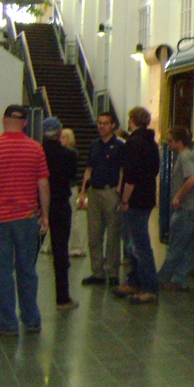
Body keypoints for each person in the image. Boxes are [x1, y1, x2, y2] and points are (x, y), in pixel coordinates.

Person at [0, 104, 50, 337]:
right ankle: (32, 319)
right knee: (27, 269)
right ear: (25, 122)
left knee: (2, 271)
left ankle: (7, 323)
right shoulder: (36, 149)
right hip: (26, 218)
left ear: (4, 119)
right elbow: (43, 185)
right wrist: (44, 215)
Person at [111, 107, 161, 304]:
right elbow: (154, 169)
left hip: (135, 198)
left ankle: (149, 287)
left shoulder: (133, 144)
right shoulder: (152, 143)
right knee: (137, 242)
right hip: (147, 196)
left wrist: (124, 200)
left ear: (131, 119)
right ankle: (134, 281)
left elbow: (130, 175)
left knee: (139, 244)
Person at [77, 112, 125, 286]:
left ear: (113, 126)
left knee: (113, 235)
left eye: (105, 123)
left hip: (110, 191)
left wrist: (119, 191)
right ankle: (97, 272)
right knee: (94, 234)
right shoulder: (94, 145)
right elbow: (89, 168)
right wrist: (83, 191)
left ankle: (112, 272)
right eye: (99, 123)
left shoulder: (119, 146)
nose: (101, 126)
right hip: (94, 192)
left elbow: (122, 170)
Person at [158, 126, 194, 291]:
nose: (168, 144)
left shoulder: (184, 157)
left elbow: (192, 179)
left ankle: (162, 278)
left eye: (170, 141)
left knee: (176, 244)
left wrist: (178, 196)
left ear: (179, 142)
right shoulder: (191, 155)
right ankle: (180, 278)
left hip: (187, 207)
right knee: (188, 245)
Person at [41, 117, 79, 311]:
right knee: (60, 252)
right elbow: (72, 176)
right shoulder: (69, 155)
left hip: (37, 207)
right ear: (59, 133)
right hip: (60, 205)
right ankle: (62, 298)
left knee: (28, 254)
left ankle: (26, 302)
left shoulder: (36, 153)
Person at [61, 128, 87, 257]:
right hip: (63, 187)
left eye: (64, 138)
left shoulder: (72, 154)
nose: (61, 140)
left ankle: (77, 246)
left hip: (70, 187)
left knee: (73, 217)